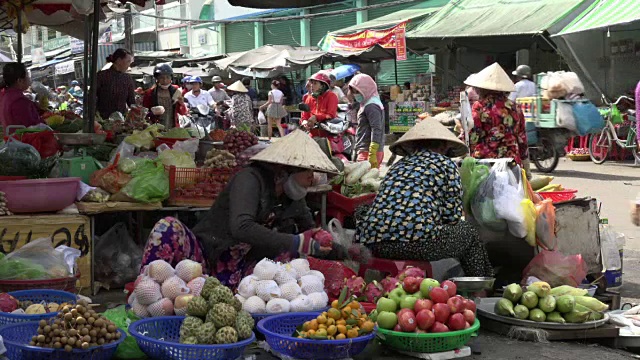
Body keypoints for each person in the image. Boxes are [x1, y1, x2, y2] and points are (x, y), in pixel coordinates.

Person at [140, 130, 343, 288]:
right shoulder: (250, 179)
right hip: (206, 258)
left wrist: (341, 250)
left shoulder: (293, 197)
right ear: (287, 169)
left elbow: (309, 232)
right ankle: (147, 292)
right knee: (167, 227)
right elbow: (241, 227)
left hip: (243, 269)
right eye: (309, 171)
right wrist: (297, 242)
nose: (312, 178)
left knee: (295, 260)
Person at [355, 118, 493, 277]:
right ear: (443, 146)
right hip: (417, 245)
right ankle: (481, 287)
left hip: (375, 245)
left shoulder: (397, 166)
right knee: (469, 233)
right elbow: (452, 217)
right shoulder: (446, 164)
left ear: (413, 145)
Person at [465, 63, 529, 167]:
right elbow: (522, 138)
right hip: (511, 162)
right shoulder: (515, 107)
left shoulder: (479, 107)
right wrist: (525, 161)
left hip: (486, 162)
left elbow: (473, 136)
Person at [348, 74, 385, 168]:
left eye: (357, 91)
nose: (355, 94)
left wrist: (372, 152)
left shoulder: (372, 105)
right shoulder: (366, 103)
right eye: (354, 92)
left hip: (368, 151)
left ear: (366, 89)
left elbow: (376, 128)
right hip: (364, 149)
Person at [142, 63, 187, 129]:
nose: (165, 80)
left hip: (173, 128)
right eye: (162, 78)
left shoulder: (176, 91)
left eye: (167, 77)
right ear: (157, 78)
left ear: (171, 78)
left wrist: (181, 104)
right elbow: (143, 113)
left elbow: (182, 112)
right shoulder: (150, 93)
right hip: (155, 129)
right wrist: (152, 113)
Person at [0, 62, 42, 129]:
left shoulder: (6, 96)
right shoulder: (19, 101)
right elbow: (32, 128)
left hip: (11, 139)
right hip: (22, 139)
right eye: (27, 75)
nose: (29, 78)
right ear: (20, 80)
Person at [96, 48, 136, 118]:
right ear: (119, 60)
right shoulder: (101, 76)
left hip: (122, 119)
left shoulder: (127, 78)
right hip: (103, 119)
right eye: (128, 61)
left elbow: (131, 102)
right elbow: (92, 98)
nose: (129, 65)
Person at [300, 71, 339, 138]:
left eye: (315, 83)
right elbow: (304, 115)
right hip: (312, 135)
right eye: (311, 83)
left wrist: (316, 117)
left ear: (323, 86)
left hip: (328, 135)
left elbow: (330, 115)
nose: (312, 86)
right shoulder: (309, 98)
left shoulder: (331, 96)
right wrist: (304, 122)